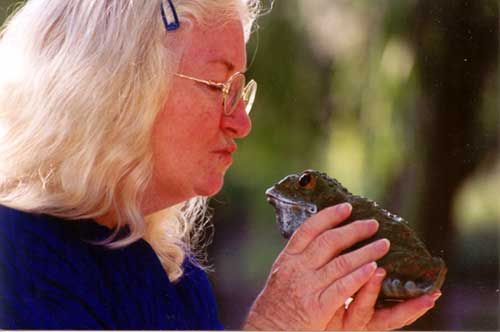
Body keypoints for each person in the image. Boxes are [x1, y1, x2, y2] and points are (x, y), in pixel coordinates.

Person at [0, 0, 441, 329]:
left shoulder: (176, 277)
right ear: (117, 85)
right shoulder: (13, 258)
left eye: (240, 88)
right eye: (218, 84)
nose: (241, 122)